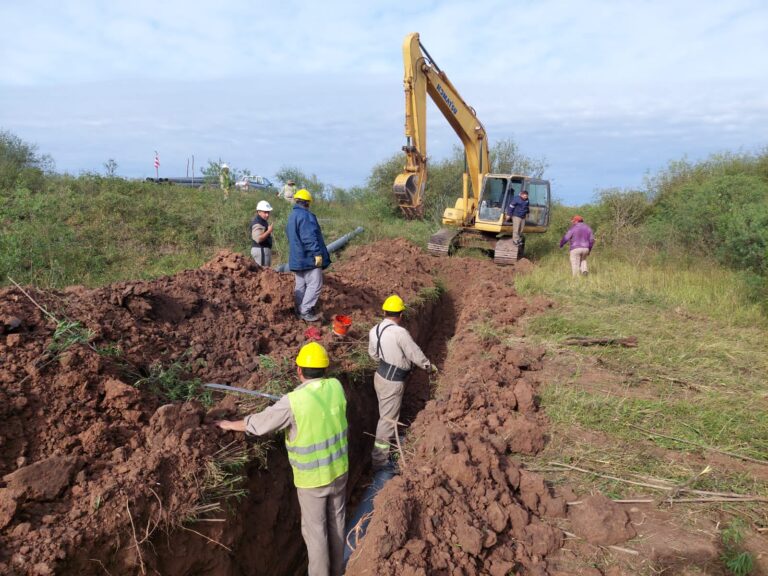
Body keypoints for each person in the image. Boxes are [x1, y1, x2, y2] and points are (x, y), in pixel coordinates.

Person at [216, 342, 348, 576]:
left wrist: (229, 424)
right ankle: (339, 570)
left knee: (316, 534)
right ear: (326, 370)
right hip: (340, 471)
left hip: (313, 481)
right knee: (337, 523)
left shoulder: (293, 402)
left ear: (299, 371)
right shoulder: (336, 386)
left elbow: (260, 424)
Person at [367, 294, 436, 470]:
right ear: (401, 315)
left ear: (384, 312)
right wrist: (428, 366)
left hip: (380, 376)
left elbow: (373, 355)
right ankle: (380, 461)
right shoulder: (400, 332)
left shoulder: (374, 330)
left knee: (385, 413)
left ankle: (383, 450)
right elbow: (414, 353)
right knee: (388, 420)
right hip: (392, 381)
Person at [286, 189, 330, 322]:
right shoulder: (305, 216)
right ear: (307, 203)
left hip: (296, 258)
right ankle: (305, 311)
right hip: (308, 258)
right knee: (315, 284)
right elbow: (308, 237)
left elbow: (291, 236)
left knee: (300, 285)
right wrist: (317, 253)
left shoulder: (292, 216)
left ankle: (299, 309)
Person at [250, 200, 274, 267]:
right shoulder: (257, 223)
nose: (267, 215)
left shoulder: (262, 221)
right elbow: (258, 239)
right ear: (259, 212)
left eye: (268, 212)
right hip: (261, 251)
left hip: (262, 250)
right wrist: (269, 231)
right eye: (265, 212)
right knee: (263, 273)